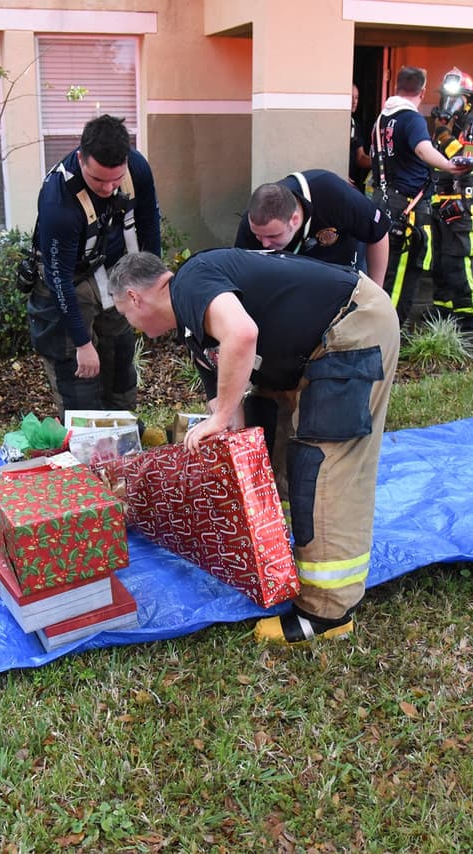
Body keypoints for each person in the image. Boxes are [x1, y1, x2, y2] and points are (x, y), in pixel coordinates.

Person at [107, 249, 400, 645]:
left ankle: (328, 614)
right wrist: (226, 440)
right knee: (267, 438)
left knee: (325, 466)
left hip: (352, 326)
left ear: (134, 297)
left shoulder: (192, 282)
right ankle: (279, 551)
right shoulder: (194, 324)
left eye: (125, 315)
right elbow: (228, 410)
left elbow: (242, 335)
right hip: (303, 351)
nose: (133, 325)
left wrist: (220, 414)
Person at [26, 114, 161, 418]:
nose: (108, 187)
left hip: (112, 271)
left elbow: (149, 225)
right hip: (68, 282)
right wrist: (82, 343)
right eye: (98, 179)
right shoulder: (58, 202)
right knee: (81, 381)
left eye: (115, 179)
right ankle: (85, 446)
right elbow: (58, 278)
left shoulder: (137, 168)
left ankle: (124, 443)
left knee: (120, 366)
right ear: (80, 159)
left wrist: (153, 286)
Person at [370, 66, 469, 326]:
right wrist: (450, 165)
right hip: (408, 210)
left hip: (383, 202)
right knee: (401, 279)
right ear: (423, 92)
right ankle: (387, 337)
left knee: (383, 275)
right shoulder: (411, 119)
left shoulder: (382, 119)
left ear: (396, 88)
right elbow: (424, 150)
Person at [233, 169, 390, 277]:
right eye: (259, 236)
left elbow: (379, 233)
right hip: (296, 274)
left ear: (294, 219)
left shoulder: (335, 195)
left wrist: (377, 295)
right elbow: (242, 275)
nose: (265, 244)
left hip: (345, 264)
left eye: (273, 235)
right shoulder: (251, 226)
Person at [428, 67, 473, 330]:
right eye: (446, 97)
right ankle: (443, 307)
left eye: (455, 98)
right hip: (438, 201)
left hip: (462, 204)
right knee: (440, 259)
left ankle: (469, 313)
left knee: (460, 257)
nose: (448, 103)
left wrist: (444, 135)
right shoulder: (439, 128)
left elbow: (467, 160)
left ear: (467, 102)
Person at [349, 84, 372, 193]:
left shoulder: (355, 124)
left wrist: (381, 163)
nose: (354, 101)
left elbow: (360, 158)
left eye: (356, 97)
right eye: (351, 97)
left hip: (352, 183)